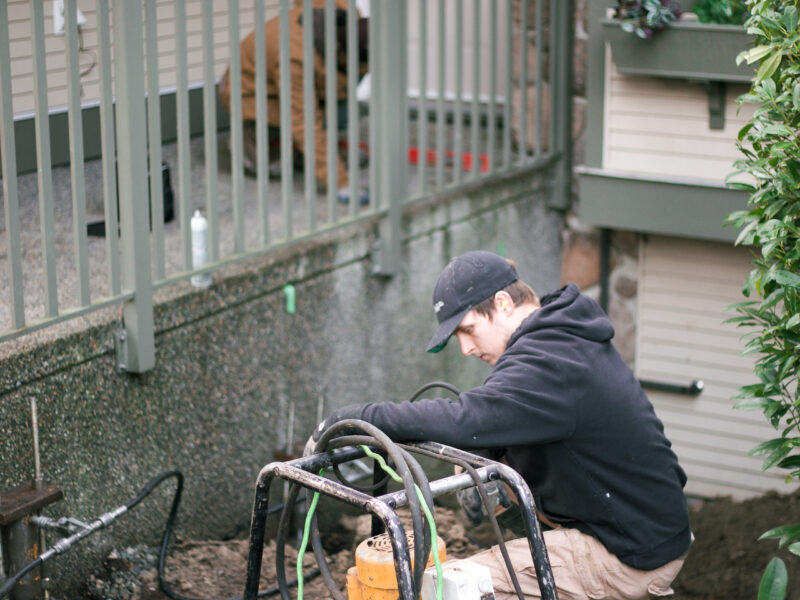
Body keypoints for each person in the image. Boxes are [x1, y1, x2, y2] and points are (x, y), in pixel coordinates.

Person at [311, 250, 692, 599]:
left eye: (468, 330)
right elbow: (503, 420)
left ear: (504, 304)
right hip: (646, 529)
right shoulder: (563, 338)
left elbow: (465, 419)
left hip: (626, 553)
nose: (466, 348)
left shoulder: (549, 362)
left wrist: (355, 417)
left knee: (443, 588)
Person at [218, 1, 369, 204]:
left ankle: (303, 153)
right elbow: (303, 119)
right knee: (300, 122)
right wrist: (341, 182)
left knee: (346, 112)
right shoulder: (295, 55)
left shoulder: (347, 17)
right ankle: (250, 145)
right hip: (248, 92)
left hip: (297, 82)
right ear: (341, 53)